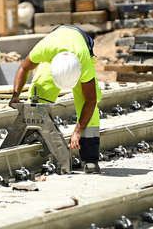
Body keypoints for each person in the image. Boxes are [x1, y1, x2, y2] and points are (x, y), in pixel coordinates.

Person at [8, 26, 102, 173]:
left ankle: (90, 159)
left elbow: (91, 100)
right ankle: (39, 146)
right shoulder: (43, 50)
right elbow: (23, 68)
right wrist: (15, 95)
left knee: (89, 104)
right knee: (38, 95)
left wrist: (78, 131)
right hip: (55, 52)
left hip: (79, 53)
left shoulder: (84, 63)